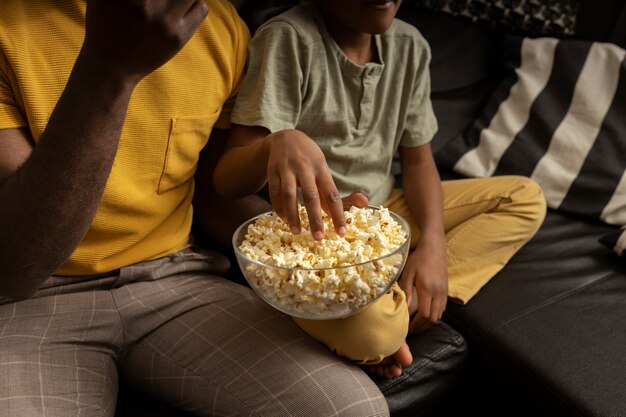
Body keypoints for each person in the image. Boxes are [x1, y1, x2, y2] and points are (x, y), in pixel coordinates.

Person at [0, 1, 392, 416]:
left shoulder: (219, 25)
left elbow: (214, 199)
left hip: (176, 278)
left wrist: (322, 251)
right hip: (36, 299)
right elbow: (19, 265)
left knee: (351, 409)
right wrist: (111, 69)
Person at [213, 0, 547, 379]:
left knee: (524, 198)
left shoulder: (411, 46)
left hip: (384, 213)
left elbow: (419, 162)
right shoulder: (287, 39)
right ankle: (388, 310)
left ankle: (401, 293)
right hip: (314, 236)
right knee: (376, 334)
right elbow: (226, 180)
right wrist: (275, 144)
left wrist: (435, 246)